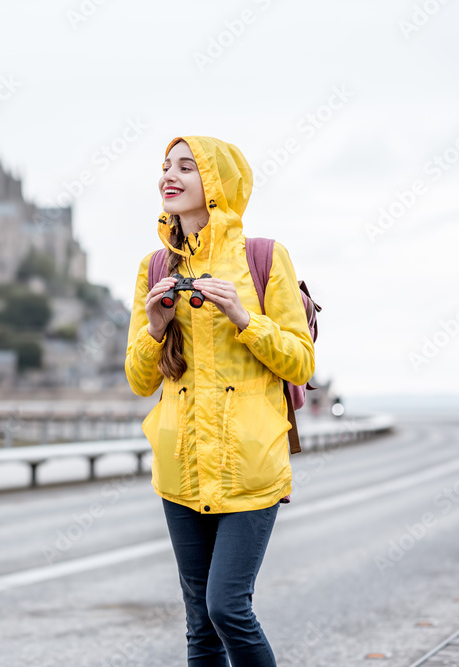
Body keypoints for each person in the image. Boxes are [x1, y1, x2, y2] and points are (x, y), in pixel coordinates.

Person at [125, 135, 315, 665]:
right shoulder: (153, 267)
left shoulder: (265, 257)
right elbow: (140, 379)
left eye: (188, 166)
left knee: (227, 607)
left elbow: (300, 362)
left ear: (217, 182)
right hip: (179, 467)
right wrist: (156, 327)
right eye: (166, 166)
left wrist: (244, 318)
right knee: (198, 625)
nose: (170, 175)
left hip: (250, 466)